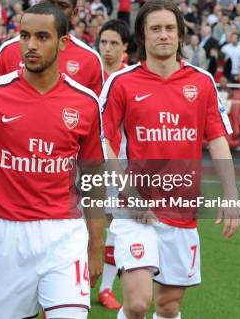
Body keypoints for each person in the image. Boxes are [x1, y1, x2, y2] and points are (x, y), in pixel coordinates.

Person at [100, 0, 240, 319]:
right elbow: (103, 142)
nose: (163, 35)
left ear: (179, 35)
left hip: (181, 210)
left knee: (168, 305)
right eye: (155, 29)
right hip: (135, 209)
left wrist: (231, 194)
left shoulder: (202, 82)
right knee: (136, 304)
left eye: (169, 28)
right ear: (142, 37)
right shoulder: (122, 83)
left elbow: (217, 138)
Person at [0, 2, 106, 318]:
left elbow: (93, 178)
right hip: (4, 233)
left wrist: (96, 244)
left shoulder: (85, 103)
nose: (31, 45)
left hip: (64, 234)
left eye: (42, 37)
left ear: (62, 42)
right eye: (25, 35)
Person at [0, 0, 104, 97]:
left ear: (74, 13)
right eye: (49, 3)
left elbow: (95, 108)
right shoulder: (8, 50)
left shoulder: (90, 59)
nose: (54, 10)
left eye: (62, 6)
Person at [95, 18, 132, 311]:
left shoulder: (128, 80)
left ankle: (106, 288)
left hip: (116, 163)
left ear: (125, 48)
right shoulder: (87, 74)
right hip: (81, 162)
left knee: (113, 225)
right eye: (103, 43)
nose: (107, 49)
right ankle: (75, 283)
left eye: (114, 44)